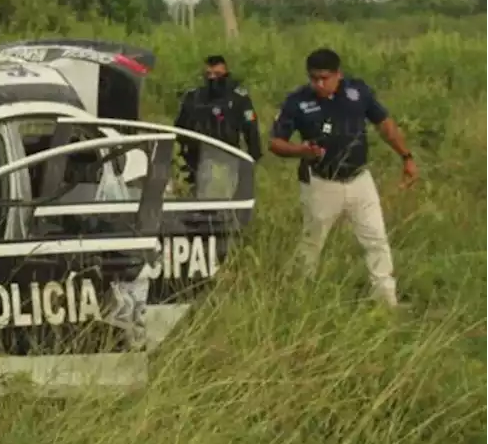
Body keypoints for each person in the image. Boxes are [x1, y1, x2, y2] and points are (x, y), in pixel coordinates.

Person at [269, 48, 418, 308]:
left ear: (339, 74)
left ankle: (385, 300)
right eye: (313, 78)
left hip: (360, 180)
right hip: (321, 183)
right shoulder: (297, 101)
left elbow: (385, 125)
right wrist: (300, 151)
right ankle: (300, 299)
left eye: (325, 78)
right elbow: (275, 143)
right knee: (311, 244)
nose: (319, 84)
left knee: (376, 240)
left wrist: (406, 156)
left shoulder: (358, 92)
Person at [173, 54, 261, 196]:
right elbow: (179, 128)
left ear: (226, 74)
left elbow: (250, 126)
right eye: (209, 74)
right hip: (196, 160)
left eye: (217, 74)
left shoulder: (238, 98)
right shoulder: (194, 97)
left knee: (224, 200)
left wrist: (253, 156)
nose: (212, 78)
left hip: (228, 157)